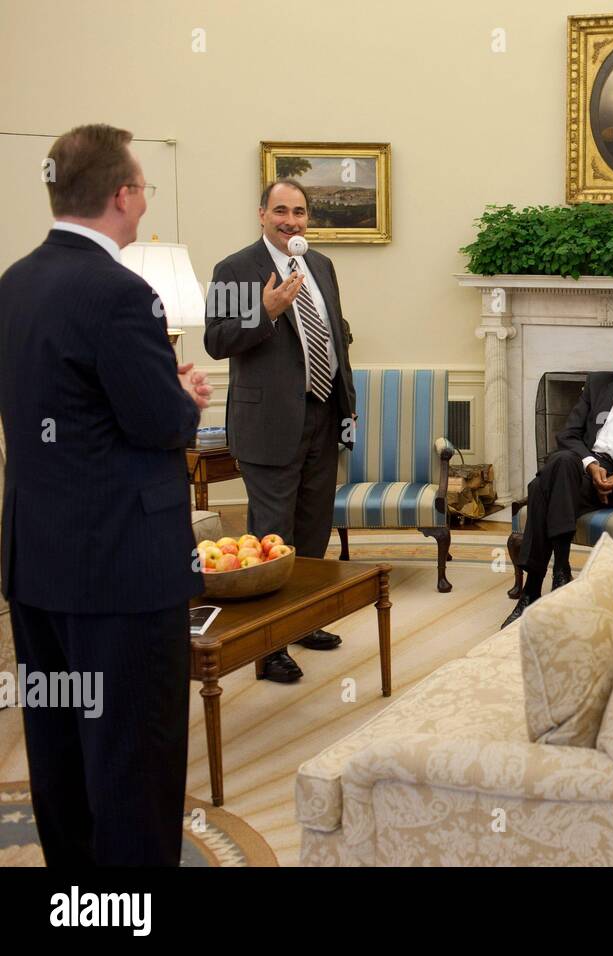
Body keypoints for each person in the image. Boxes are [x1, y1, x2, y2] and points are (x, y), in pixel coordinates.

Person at [0, 124, 211, 865]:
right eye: (144, 186)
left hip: (38, 566)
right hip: (123, 571)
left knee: (60, 759)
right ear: (122, 197)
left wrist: (159, 392)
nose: (144, 197)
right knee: (134, 766)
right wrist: (184, 398)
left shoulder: (14, 282)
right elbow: (158, 424)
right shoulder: (122, 293)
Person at [204, 179, 358, 683]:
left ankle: (306, 619)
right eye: (281, 211)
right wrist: (264, 312)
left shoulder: (321, 266)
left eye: (299, 212)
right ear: (261, 214)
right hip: (268, 423)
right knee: (272, 536)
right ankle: (268, 649)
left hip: (323, 415)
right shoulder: (235, 268)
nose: (291, 221)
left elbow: (336, 334)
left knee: (313, 531)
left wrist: (346, 406)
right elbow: (216, 340)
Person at [503, 329, 613, 628]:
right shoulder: (599, 384)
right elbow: (568, 434)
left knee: (540, 486)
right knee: (563, 462)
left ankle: (533, 589)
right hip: (584, 468)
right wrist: (590, 465)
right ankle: (557, 573)